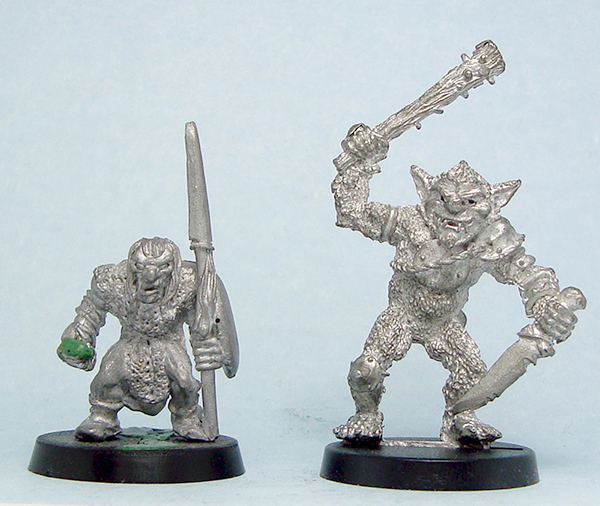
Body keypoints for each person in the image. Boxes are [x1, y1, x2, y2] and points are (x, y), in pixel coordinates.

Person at [331, 124, 579, 448]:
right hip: (402, 315)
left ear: (492, 204)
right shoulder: (409, 223)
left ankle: (460, 419)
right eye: (444, 200)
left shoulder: (490, 238)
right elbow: (353, 212)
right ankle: (366, 416)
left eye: (469, 202)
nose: (454, 210)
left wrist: (548, 306)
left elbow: (529, 274)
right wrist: (359, 163)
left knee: (473, 373)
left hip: (445, 323)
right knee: (365, 371)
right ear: (426, 195)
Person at [58, 237, 228, 442]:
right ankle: (102, 417)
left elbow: (201, 322)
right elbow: (91, 310)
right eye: (141, 266)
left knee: (184, 382)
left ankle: (187, 418)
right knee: (108, 377)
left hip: (169, 344)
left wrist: (209, 346)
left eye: (162, 267)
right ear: (132, 266)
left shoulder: (188, 285)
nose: (150, 276)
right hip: (130, 343)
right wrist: (80, 336)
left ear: (173, 269)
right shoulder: (113, 283)